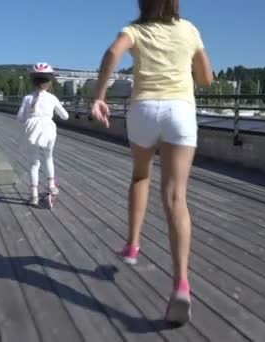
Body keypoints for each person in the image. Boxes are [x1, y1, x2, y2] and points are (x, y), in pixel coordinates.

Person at [91, 0, 213, 325]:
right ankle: (181, 285)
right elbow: (206, 78)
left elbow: (112, 53)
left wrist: (100, 96)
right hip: (179, 112)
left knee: (140, 176)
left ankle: (132, 245)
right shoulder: (189, 31)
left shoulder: (134, 31)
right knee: (175, 196)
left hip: (144, 109)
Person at [17, 63, 70, 206]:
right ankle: (51, 185)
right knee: (48, 157)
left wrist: (32, 116)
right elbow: (65, 116)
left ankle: (33, 195)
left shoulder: (27, 98)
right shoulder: (52, 98)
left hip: (32, 130)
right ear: (50, 81)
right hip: (48, 130)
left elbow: (20, 118)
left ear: (32, 80)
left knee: (34, 163)